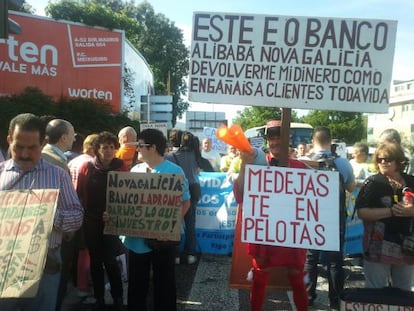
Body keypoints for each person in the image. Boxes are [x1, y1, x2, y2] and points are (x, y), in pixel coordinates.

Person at [0, 113, 83, 311]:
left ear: (43, 142)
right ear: (9, 140)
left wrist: (50, 215)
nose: (25, 154)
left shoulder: (58, 175)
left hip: (46, 267)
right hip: (4, 266)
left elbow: (77, 216)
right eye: (18, 146)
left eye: (32, 148)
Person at [234, 120, 309, 311]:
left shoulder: (301, 167)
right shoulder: (255, 163)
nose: (275, 142)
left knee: (297, 278)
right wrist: (244, 165)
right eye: (271, 138)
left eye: (279, 137)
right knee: (259, 277)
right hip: (264, 233)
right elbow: (240, 195)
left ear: (288, 139)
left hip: (292, 235)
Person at [124, 128, 190, 311]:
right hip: (136, 240)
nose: (137, 149)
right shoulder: (135, 170)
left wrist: (168, 225)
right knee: (137, 284)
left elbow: (186, 202)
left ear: (152, 148)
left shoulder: (175, 171)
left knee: (164, 283)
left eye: (140, 146)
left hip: (164, 239)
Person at [303, 126, 355, 309]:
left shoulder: (304, 161)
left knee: (310, 259)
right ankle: (335, 300)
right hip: (334, 218)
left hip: (310, 216)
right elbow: (350, 187)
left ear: (312, 141)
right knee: (335, 261)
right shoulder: (343, 163)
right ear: (330, 141)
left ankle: (308, 297)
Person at [76, 131, 128, 310]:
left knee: (111, 261)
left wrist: (115, 213)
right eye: (105, 147)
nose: (109, 150)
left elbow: (129, 197)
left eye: (112, 147)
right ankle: (99, 298)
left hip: (112, 222)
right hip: (91, 221)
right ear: (97, 149)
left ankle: (118, 297)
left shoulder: (122, 168)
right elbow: (80, 194)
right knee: (95, 261)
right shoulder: (87, 168)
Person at [355, 142, 414, 290]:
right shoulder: (372, 183)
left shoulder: (411, 181)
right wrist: (391, 211)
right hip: (377, 247)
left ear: (399, 161)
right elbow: (362, 212)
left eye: (387, 159)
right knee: (374, 292)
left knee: (404, 292)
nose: (383, 162)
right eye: (379, 159)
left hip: (407, 247)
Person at [40, 118, 77, 311]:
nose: (74, 138)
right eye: (72, 134)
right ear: (63, 137)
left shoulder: (55, 158)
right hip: (52, 240)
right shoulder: (54, 163)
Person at [67, 133, 99, 298]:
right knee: (85, 249)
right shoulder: (89, 163)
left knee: (78, 249)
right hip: (84, 209)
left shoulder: (74, 160)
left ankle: (77, 282)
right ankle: (83, 285)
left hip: (72, 207)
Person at [165, 130, 201, 264]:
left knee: (175, 223)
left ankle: (176, 255)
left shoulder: (168, 156)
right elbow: (197, 170)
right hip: (194, 189)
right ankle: (191, 253)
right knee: (191, 224)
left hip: (177, 191)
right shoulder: (194, 154)